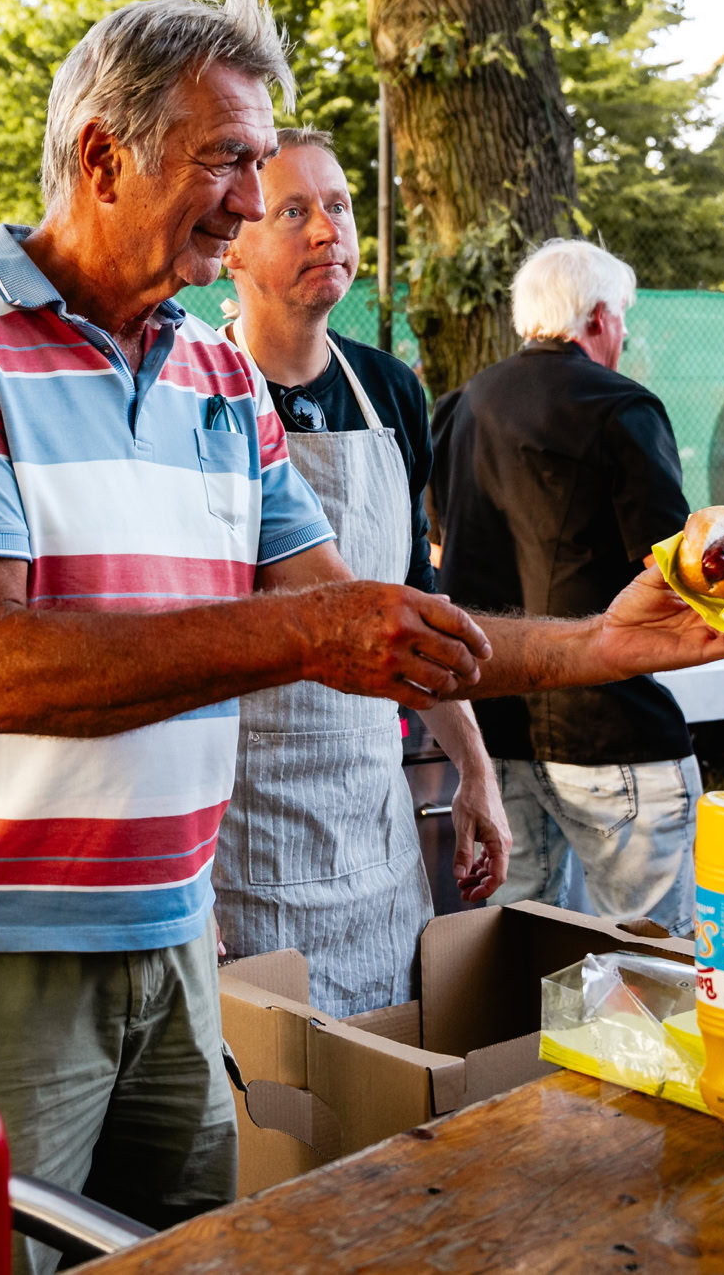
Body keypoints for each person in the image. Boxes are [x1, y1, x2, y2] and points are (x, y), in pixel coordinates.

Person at [0, 0, 724, 1273]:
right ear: (103, 156)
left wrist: (607, 647)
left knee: (188, 1254)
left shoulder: (217, 377)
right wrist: (311, 632)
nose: (247, 195)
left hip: (174, 937)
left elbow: (377, 628)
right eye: (226, 159)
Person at [214, 127, 509, 1015]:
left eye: (338, 206)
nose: (326, 229)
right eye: (292, 211)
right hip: (238, 833)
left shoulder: (393, 392)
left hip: (372, 821)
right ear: (232, 243)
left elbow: (416, 605)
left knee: (389, 1066)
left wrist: (475, 768)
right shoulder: (198, 392)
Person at [429, 238, 702, 934]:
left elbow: (439, 552)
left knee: (521, 953)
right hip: (611, 732)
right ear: (601, 317)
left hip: (495, 730)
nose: (623, 334)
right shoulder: (623, 407)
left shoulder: (459, 408)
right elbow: (671, 572)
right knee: (650, 959)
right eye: (622, 319)